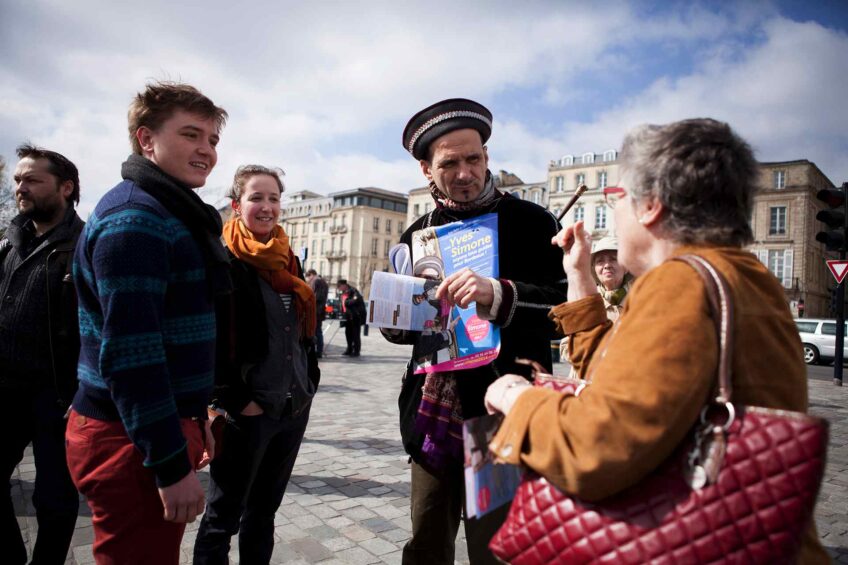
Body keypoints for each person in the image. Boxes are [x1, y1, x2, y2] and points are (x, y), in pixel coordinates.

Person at [485, 118, 828, 563]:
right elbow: (613, 381)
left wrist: (518, 398)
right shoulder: (742, 273)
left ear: (650, 206)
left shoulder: (680, 284)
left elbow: (597, 447)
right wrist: (579, 276)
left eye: (618, 198)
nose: (617, 210)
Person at [383, 98, 567, 564]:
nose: (465, 172)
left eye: (474, 159)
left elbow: (565, 307)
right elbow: (408, 336)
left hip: (502, 414)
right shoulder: (416, 234)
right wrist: (395, 316)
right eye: (449, 163)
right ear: (426, 169)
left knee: (495, 546)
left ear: (486, 157)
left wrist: (498, 292)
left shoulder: (531, 222)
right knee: (426, 541)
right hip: (434, 412)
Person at [65, 81, 229, 564]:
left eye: (213, 140)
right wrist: (170, 465)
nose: (206, 150)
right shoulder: (135, 219)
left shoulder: (168, 210)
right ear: (146, 139)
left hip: (150, 426)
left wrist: (200, 414)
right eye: (192, 135)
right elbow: (132, 358)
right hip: (127, 436)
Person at [194, 164, 319, 564]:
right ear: (236, 205)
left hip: (291, 406)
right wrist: (234, 398)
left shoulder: (288, 260)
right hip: (246, 413)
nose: (267, 207)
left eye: (274, 198)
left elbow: (300, 333)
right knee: (222, 518)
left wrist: (309, 380)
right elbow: (205, 337)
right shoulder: (221, 259)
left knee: (264, 515)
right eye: (256, 198)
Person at [0, 144, 83, 564]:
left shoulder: (85, 244)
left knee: (55, 500)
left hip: (57, 397)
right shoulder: (9, 243)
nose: (20, 187)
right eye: (17, 179)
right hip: (7, 391)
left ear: (65, 188)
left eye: (32, 179)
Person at [559, 236, 632, 365]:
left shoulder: (639, 300)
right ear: (594, 270)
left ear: (625, 267)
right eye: (600, 261)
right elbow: (565, 347)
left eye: (613, 259)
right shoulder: (584, 300)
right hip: (590, 379)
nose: (607, 265)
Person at [337, 278, 364, 356]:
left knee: (355, 334)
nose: (339, 288)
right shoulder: (342, 293)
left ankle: (356, 351)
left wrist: (346, 302)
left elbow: (356, 300)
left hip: (355, 316)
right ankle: (349, 349)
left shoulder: (353, 291)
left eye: (340, 286)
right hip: (347, 316)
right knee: (348, 333)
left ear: (344, 285)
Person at [306, 268, 329, 357]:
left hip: (315, 311)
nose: (308, 280)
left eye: (308, 277)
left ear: (311, 274)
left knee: (316, 331)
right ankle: (318, 350)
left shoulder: (316, 281)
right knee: (317, 331)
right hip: (319, 310)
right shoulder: (322, 281)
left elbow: (317, 296)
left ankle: (318, 351)